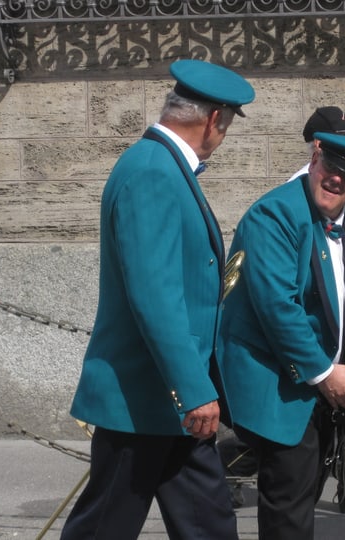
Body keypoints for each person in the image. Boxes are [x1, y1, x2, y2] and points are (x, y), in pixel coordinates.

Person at [59, 59, 254, 540]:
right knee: (105, 526)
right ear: (214, 120)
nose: (223, 136)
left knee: (208, 522)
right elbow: (155, 294)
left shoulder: (161, 167)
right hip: (147, 398)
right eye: (226, 126)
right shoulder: (152, 172)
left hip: (170, 402)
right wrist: (193, 388)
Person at [217, 132, 345, 539]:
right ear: (315, 160)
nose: (336, 181)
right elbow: (278, 308)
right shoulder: (274, 214)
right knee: (289, 508)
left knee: (305, 496)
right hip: (279, 380)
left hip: (327, 384)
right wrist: (322, 372)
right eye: (331, 169)